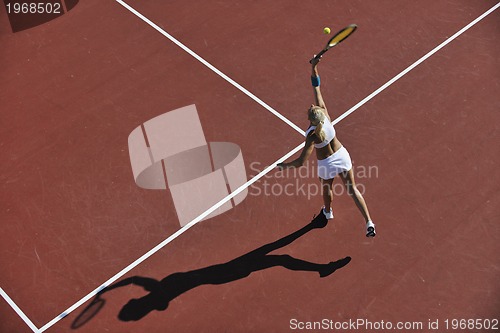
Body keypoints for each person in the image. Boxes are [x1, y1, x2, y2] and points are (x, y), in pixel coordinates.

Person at [277, 56, 376, 237]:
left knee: (326, 187)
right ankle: (369, 221)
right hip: (342, 156)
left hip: (326, 165)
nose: (312, 104)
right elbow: (316, 86)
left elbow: (300, 163)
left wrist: (284, 166)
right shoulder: (326, 117)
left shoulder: (311, 136)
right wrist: (314, 67)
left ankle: (328, 211)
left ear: (310, 119)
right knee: (353, 190)